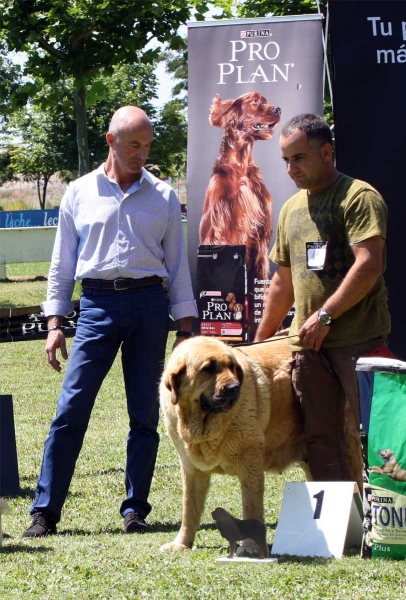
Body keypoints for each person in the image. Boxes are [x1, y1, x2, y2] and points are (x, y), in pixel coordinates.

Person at [22, 106, 197, 538]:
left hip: (149, 308)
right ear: (111, 141)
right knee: (70, 410)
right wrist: (54, 322)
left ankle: (135, 509)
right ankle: (45, 512)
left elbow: (177, 267)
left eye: (147, 145)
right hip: (96, 305)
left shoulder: (164, 195)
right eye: (134, 144)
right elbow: (62, 263)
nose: (142, 153)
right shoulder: (79, 192)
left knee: (145, 414)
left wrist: (188, 329)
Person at [255, 114, 391, 489]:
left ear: (326, 151)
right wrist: (259, 343)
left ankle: (387, 521)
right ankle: (341, 525)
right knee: (319, 438)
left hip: (358, 341)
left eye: (298, 158)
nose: (290, 168)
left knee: (377, 435)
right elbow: (282, 282)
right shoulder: (291, 209)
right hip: (308, 348)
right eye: (285, 160)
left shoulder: (358, 197)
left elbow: (370, 263)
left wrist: (325, 316)